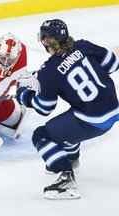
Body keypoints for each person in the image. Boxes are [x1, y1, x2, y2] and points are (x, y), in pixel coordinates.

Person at [16, 19, 119, 200]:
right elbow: (113, 64)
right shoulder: (83, 46)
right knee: (69, 123)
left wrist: (25, 95)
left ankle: (65, 178)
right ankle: (70, 159)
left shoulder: (49, 71)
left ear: (46, 41)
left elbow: (44, 107)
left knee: (42, 135)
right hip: (113, 108)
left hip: (92, 121)